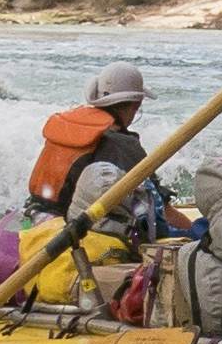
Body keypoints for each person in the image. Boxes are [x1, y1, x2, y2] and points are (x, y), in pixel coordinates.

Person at [29, 61, 171, 235]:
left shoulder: (69, 126)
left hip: (34, 218)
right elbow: (161, 209)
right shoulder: (123, 144)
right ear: (136, 105)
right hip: (69, 233)